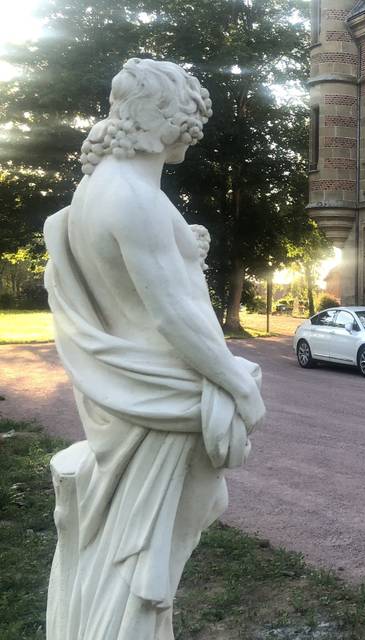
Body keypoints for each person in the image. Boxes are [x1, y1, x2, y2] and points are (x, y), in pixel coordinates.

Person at [43, 58, 265, 640]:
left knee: (149, 522)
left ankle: (128, 616)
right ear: (161, 117)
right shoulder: (134, 197)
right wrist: (239, 385)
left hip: (134, 386)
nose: (194, 129)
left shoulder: (101, 188)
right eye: (188, 115)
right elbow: (172, 314)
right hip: (162, 385)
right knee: (165, 526)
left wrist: (185, 248)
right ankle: (131, 621)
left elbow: (126, 280)